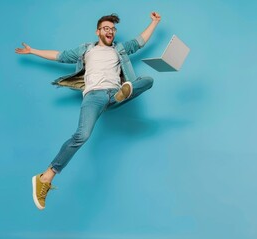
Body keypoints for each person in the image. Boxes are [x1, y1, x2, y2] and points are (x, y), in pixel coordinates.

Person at [15, 12, 161, 210]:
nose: (110, 31)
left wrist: (154, 22)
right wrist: (33, 51)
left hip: (115, 92)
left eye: (113, 29)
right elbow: (59, 55)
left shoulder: (120, 49)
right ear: (98, 31)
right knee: (81, 135)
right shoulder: (86, 50)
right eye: (106, 28)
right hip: (94, 97)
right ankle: (45, 177)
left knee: (148, 80)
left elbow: (140, 41)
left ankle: (122, 93)